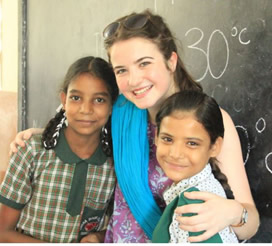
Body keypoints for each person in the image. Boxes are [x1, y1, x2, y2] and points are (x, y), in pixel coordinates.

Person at [10, 9, 259, 243]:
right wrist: (39, 135)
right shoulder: (121, 112)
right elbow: (80, 121)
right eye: (121, 70)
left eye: (144, 63)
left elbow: (252, 222)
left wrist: (232, 213)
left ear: (171, 61)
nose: (133, 81)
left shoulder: (209, 121)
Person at [0, 56, 119, 243]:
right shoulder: (31, 151)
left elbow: (117, 225)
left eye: (99, 100)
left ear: (112, 104)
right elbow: (3, 232)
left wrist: (97, 236)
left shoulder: (115, 165)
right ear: (64, 100)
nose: (86, 109)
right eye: (76, 98)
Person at [152, 90, 238, 243]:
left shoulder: (194, 205)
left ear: (214, 147)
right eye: (167, 139)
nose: (176, 154)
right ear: (156, 136)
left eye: (192, 143)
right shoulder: (192, 189)